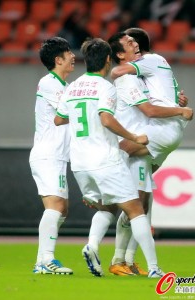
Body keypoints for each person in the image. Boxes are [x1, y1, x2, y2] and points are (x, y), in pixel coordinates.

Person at [54, 37, 165, 278]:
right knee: (136, 209)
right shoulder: (106, 87)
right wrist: (134, 137)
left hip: (80, 164)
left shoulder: (72, 87)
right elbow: (106, 118)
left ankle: (92, 246)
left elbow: (59, 118)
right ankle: (155, 268)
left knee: (106, 208)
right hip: (104, 159)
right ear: (107, 59)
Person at [107, 31, 193, 275]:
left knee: (130, 189)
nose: (132, 44)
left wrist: (177, 106)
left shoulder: (147, 63)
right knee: (142, 202)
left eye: (133, 41)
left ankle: (119, 257)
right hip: (159, 132)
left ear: (138, 50)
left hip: (158, 130)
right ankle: (125, 260)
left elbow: (117, 72)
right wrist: (178, 102)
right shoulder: (147, 73)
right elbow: (160, 98)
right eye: (128, 43)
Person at [29, 37, 75, 274]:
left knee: (62, 209)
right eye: (68, 53)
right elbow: (64, 115)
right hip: (48, 154)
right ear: (58, 59)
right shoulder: (49, 83)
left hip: (57, 155)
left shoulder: (64, 86)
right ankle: (46, 260)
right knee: (56, 205)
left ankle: (41, 261)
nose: (73, 56)